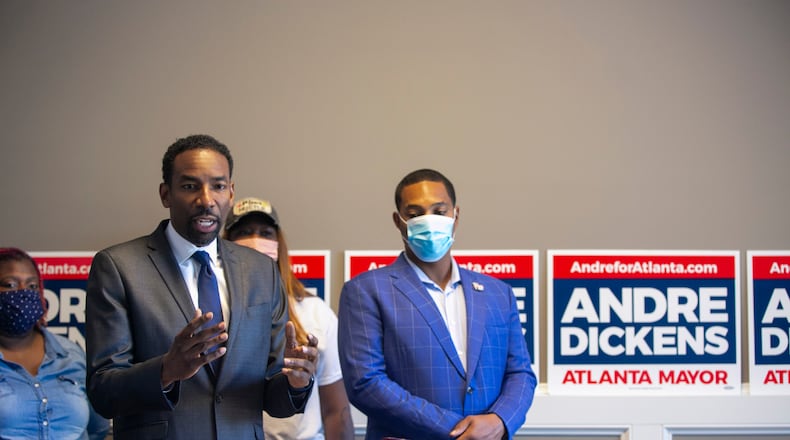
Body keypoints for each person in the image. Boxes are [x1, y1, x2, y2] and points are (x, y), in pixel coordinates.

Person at [85, 134, 318, 440]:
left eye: (218, 186)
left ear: (231, 192)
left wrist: (295, 382)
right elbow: (104, 391)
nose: (206, 199)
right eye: (190, 186)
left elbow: (271, 397)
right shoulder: (119, 266)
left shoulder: (260, 270)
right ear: (166, 194)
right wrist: (167, 370)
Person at [338, 168, 537, 440]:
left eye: (439, 211)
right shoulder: (365, 291)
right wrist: (461, 432)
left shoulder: (498, 293)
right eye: (415, 213)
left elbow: (521, 373)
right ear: (398, 221)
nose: (428, 220)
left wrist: (499, 421)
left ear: (456, 216)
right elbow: (366, 383)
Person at [224, 197, 354, 440]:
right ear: (227, 244)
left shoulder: (315, 312)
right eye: (244, 232)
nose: (255, 240)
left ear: (278, 243)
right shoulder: (216, 310)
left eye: (265, 232)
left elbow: (336, 411)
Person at [0, 247, 110, 440]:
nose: (23, 293)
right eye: (10, 284)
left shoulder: (71, 353)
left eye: (32, 286)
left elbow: (97, 428)